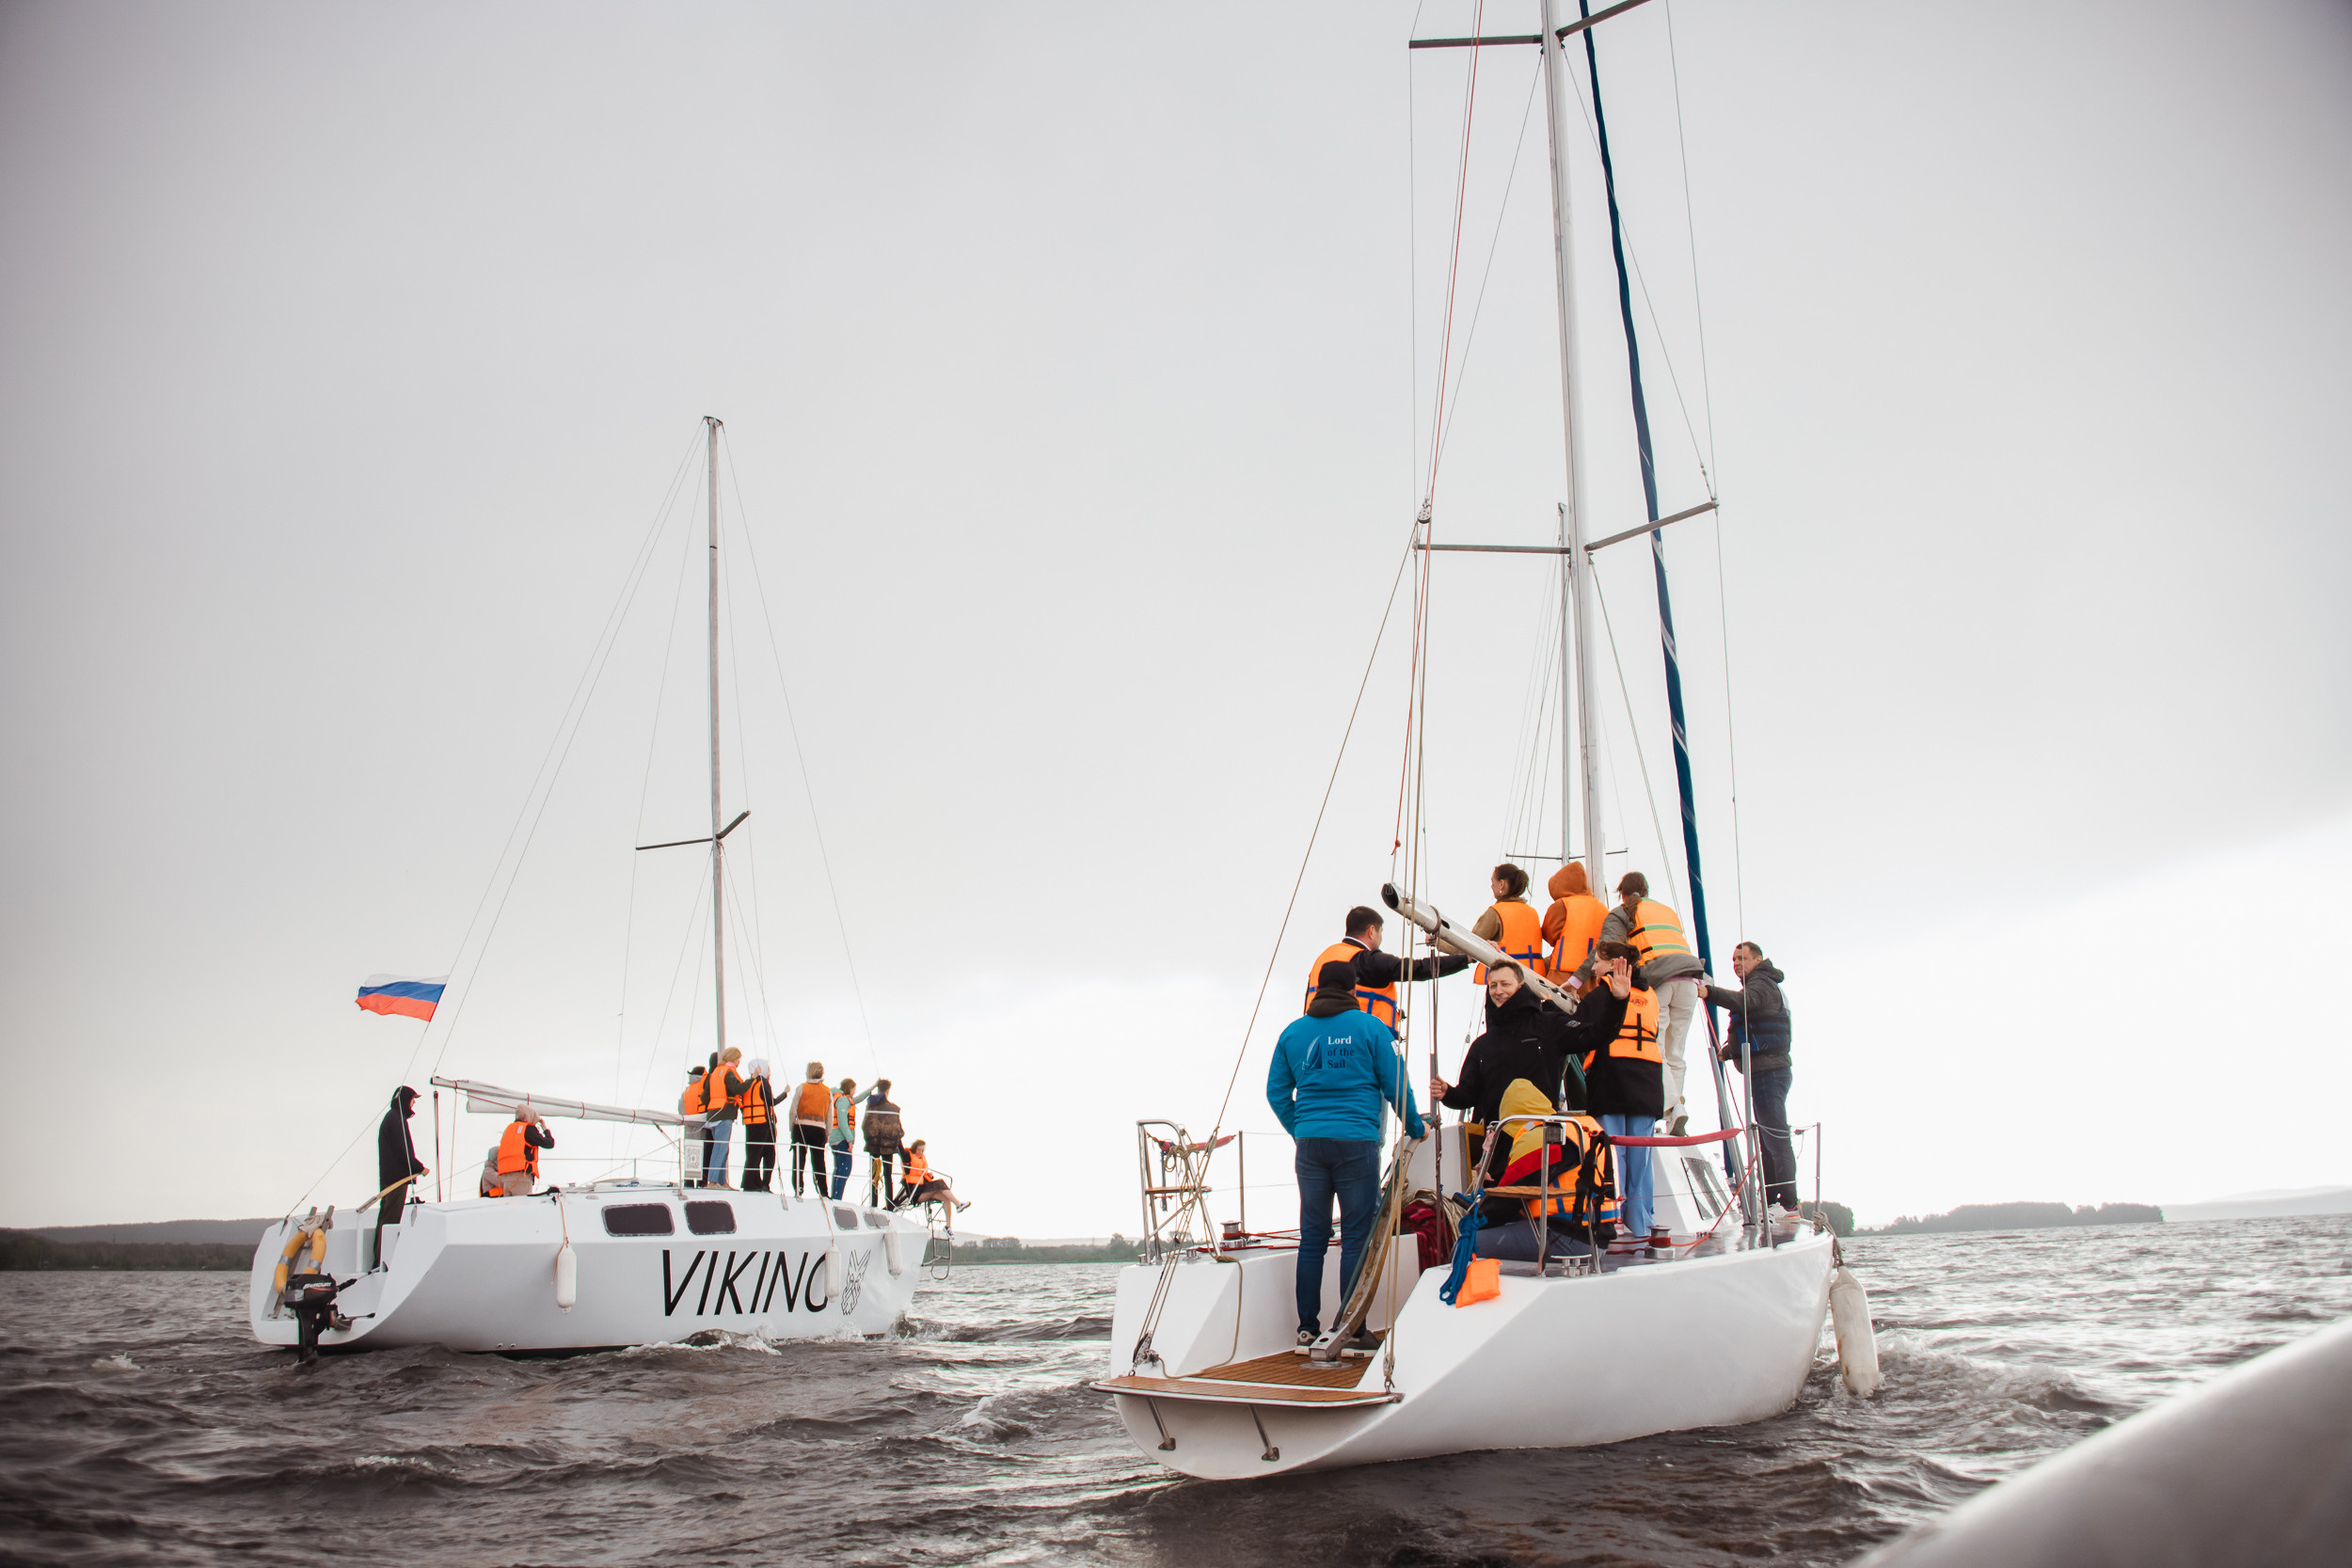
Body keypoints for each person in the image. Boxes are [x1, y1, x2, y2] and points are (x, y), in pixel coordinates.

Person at [1267, 959, 1426, 1347]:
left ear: (1319, 988)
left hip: (1310, 1145)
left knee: (1313, 1236)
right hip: (1356, 1143)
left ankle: (1307, 1328)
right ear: (1354, 988)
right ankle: (1351, 1329)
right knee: (1355, 1236)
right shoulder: (1372, 1028)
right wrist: (1415, 1126)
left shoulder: (1292, 1033)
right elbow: (1396, 1084)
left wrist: (1300, 1128)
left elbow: (1276, 1092)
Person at [1432, 957, 1628, 1183]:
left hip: (1539, 1145)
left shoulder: (1549, 1025)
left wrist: (1618, 1001)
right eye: (1493, 985)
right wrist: (1448, 1093)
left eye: (1505, 984)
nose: (1498, 991)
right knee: (1496, 1204)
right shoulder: (1482, 1045)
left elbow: (1596, 1035)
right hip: (1496, 1153)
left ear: (1521, 987)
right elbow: (1467, 1095)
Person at [1581, 872, 1706, 1134]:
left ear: (1622, 894)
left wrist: (1575, 980)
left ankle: (1674, 1108)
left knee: (1655, 1048)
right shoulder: (1665, 911)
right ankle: (1674, 1116)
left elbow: (1607, 947)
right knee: (1676, 1052)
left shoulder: (1622, 913)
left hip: (1661, 980)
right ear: (1647, 890)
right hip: (1690, 981)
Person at [1468, 1077, 1619, 1264]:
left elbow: (1507, 1200)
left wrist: (1470, 1220)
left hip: (1568, 1240)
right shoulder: (1575, 1130)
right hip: (1595, 1239)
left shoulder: (1538, 1138)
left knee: (1466, 1244)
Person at [1703, 942, 1797, 1217]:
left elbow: (1743, 1003)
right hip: (1765, 1072)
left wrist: (1708, 992)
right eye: (1733, 960)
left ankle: (1789, 1204)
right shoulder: (1759, 984)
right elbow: (1753, 1025)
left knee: (1776, 1138)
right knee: (1767, 1140)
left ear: (1758, 959)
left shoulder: (1761, 984)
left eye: (1742, 958)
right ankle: (1771, 1201)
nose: (1736, 964)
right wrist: (1729, 1051)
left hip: (1770, 1073)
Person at [1579, 942, 1665, 1243]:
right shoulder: (1651, 995)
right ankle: (1641, 1223)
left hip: (1610, 1078)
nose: (1593, 968)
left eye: (1598, 962)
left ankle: (1612, 1218)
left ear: (1615, 964)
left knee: (1612, 1153)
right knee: (1641, 1155)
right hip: (1647, 1080)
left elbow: (1580, 1030)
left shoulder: (1600, 994)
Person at [1302, 906, 1470, 1031]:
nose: (1380, 937)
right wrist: (1465, 958)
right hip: (1360, 1043)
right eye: (1380, 932)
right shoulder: (1368, 960)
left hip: (1317, 1041)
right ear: (1371, 931)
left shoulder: (1323, 958)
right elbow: (1417, 968)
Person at [373, 1086, 428, 1267]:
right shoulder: (397, 1120)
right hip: (396, 1179)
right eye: (413, 1099)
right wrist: (420, 1168)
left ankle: (379, 1259)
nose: (414, 1103)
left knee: (385, 1218)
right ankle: (384, 1262)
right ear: (405, 1100)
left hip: (390, 1178)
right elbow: (402, 1150)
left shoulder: (392, 1117)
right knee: (391, 1219)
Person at [1470, 863, 1548, 983]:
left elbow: (1471, 942)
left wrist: (1441, 939)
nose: (1491, 886)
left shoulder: (1495, 912)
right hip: (1533, 982)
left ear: (1502, 884)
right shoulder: (1532, 912)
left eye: (1493, 882)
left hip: (1504, 982)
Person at [1541, 862, 1611, 989]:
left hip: (1562, 977)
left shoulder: (1562, 905)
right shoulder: (1603, 908)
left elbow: (1549, 935)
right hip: (1593, 979)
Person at [788, 1062, 831, 1197]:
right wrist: (827, 1133)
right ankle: (823, 1191)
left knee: (799, 1160)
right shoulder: (827, 1091)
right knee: (819, 1161)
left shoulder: (802, 1088)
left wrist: (792, 1128)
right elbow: (829, 1115)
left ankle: (798, 1188)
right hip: (819, 1128)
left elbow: (793, 1111)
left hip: (801, 1126)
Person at [705, 1048, 745, 1189]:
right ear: (734, 1059)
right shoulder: (729, 1073)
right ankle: (713, 1181)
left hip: (713, 1113)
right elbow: (737, 1089)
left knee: (722, 1148)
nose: (739, 1062)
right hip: (725, 1113)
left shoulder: (715, 1072)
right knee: (721, 1147)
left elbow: (705, 1096)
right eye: (738, 1059)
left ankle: (722, 1182)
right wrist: (752, 1079)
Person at [494, 1108, 554, 1196]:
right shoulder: (528, 1128)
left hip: (505, 1176)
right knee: (522, 1204)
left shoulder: (509, 1129)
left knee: (509, 1204)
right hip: (521, 1176)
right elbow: (549, 1143)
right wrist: (544, 1127)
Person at [864, 1080, 906, 1206]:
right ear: (888, 1090)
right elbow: (898, 1131)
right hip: (888, 1147)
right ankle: (889, 1204)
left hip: (873, 1146)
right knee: (888, 1176)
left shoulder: (870, 1106)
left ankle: (873, 1204)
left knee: (874, 1175)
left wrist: (870, 1139)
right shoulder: (894, 1109)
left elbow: (865, 1126)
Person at [739, 1058, 776, 1193]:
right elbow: (771, 1101)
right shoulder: (763, 1083)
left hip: (750, 1122)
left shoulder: (747, 1083)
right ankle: (758, 1183)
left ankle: (755, 1182)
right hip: (764, 1123)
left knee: (754, 1154)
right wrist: (785, 1094)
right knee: (768, 1154)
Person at [900, 1139, 968, 1211]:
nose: (920, 1152)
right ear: (914, 1148)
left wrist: (929, 1176)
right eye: (919, 1150)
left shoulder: (921, 1158)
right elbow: (901, 1151)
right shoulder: (908, 1156)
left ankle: (956, 1210)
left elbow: (921, 1174)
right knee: (940, 1183)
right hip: (915, 1193)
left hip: (923, 1189)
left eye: (922, 1151)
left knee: (946, 1199)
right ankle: (958, 1204)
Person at [828, 1077, 859, 1200]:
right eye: (854, 1090)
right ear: (850, 1089)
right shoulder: (843, 1101)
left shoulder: (838, 1098)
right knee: (845, 1169)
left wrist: (871, 1089)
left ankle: (836, 1197)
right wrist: (850, 1140)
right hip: (841, 1140)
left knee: (839, 1169)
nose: (854, 1092)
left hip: (834, 1138)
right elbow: (842, 1122)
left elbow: (858, 1099)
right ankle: (837, 1198)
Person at [679, 1066, 710, 1188]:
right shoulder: (704, 1088)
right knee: (703, 1155)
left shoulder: (686, 1091)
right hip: (702, 1126)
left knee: (690, 1154)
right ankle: (702, 1182)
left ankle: (688, 1182)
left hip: (688, 1126)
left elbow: (681, 1108)